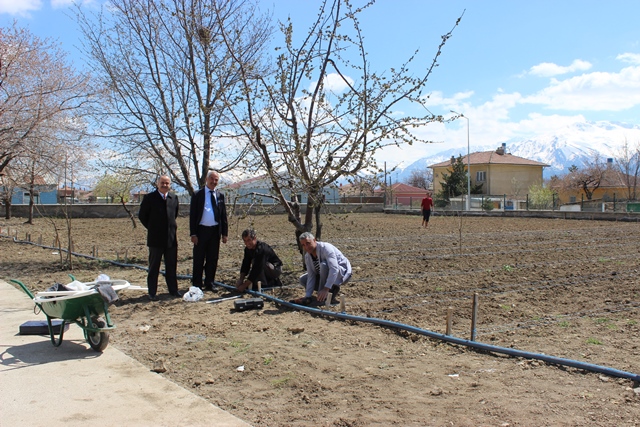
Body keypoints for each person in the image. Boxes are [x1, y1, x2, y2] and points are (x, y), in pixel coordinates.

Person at [138, 175, 181, 301]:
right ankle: (152, 292)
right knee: (154, 267)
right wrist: (152, 227)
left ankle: (173, 290)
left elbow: (175, 215)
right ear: (158, 184)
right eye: (162, 183)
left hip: (171, 239)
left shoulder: (174, 198)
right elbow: (142, 216)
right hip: (155, 239)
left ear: (170, 185)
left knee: (171, 266)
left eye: (167, 183)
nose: (165, 185)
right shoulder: (149, 198)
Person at [189, 170, 228, 291]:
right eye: (212, 179)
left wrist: (224, 233)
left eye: (216, 180)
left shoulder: (220, 195)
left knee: (212, 258)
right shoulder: (197, 195)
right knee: (199, 258)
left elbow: (223, 216)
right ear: (207, 179)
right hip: (201, 231)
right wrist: (193, 233)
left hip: (215, 231)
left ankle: (210, 282)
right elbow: (193, 215)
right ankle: (197, 283)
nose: (214, 182)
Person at [291, 232, 352, 306]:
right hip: (324, 274)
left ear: (314, 240)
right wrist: (308, 296)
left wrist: (326, 288)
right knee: (303, 279)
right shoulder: (307, 256)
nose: (306, 247)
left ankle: (327, 293)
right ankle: (324, 295)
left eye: (308, 243)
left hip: (341, 274)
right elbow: (311, 275)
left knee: (323, 265)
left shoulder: (326, 248)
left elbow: (334, 268)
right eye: (303, 245)